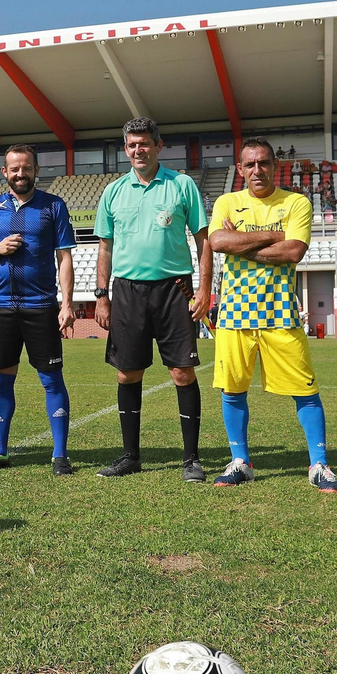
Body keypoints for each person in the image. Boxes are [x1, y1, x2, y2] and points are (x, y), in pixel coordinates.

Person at [206, 138, 337, 492]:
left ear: (275, 166)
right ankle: (240, 461)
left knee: (305, 391)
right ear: (240, 169)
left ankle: (319, 465)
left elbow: (294, 251)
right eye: (249, 164)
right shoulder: (227, 202)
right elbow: (218, 243)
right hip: (234, 314)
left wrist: (245, 243)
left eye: (263, 163)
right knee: (232, 391)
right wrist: (273, 236)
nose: (257, 170)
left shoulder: (295, 202)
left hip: (281, 312)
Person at [93, 117, 211, 481]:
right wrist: (101, 295)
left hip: (175, 288)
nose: (138, 150)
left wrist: (206, 287)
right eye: (131, 145)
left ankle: (191, 458)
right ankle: (130, 456)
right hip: (127, 290)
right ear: (125, 149)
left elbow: (203, 239)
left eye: (144, 143)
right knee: (128, 373)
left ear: (159, 146)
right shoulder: (113, 191)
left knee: (181, 371)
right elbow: (105, 247)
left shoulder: (182, 185)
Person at [0, 145, 77, 475]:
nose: (20, 174)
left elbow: (65, 257)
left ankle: (60, 455)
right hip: (1, 307)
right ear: (4, 172)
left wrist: (67, 304)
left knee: (52, 380)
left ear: (36, 169)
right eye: (14, 169)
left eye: (25, 168)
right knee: (2, 381)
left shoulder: (53, 206)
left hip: (41, 306)